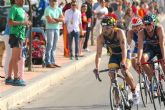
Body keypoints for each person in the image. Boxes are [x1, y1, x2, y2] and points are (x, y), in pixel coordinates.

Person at [94, 17, 139, 108]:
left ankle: (134, 92)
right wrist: (97, 67)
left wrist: (123, 61)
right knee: (112, 75)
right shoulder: (101, 37)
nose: (105, 30)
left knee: (124, 71)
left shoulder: (119, 32)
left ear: (113, 27)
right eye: (103, 27)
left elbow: (124, 49)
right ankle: (118, 102)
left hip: (125, 53)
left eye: (107, 27)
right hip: (114, 55)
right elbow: (98, 54)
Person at [6, 0, 32, 86]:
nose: (23, 0)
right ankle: (16, 78)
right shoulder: (14, 8)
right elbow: (10, 22)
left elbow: (24, 22)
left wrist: (27, 23)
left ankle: (9, 78)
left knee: (15, 57)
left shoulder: (22, 9)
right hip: (15, 35)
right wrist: (22, 23)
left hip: (20, 36)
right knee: (16, 58)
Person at [137, 14, 165, 81]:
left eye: (149, 24)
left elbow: (162, 44)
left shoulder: (159, 29)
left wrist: (164, 57)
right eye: (145, 24)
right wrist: (138, 60)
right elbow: (140, 47)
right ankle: (152, 78)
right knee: (142, 59)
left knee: (164, 65)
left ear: (153, 23)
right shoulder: (141, 32)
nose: (147, 27)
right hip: (151, 49)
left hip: (160, 48)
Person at [44, 0, 64, 68]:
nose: (54, 2)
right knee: (50, 45)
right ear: (49, 1)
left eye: (55, 1)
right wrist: (58, 20)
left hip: (57, 29)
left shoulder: (58, 9)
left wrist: (55, 19)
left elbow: (63, 19)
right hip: (50, 29)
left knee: (54, 46)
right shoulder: (47, 9)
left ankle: (53, 61)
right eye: (52, 1)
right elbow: (49, 20)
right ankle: (48, 62)